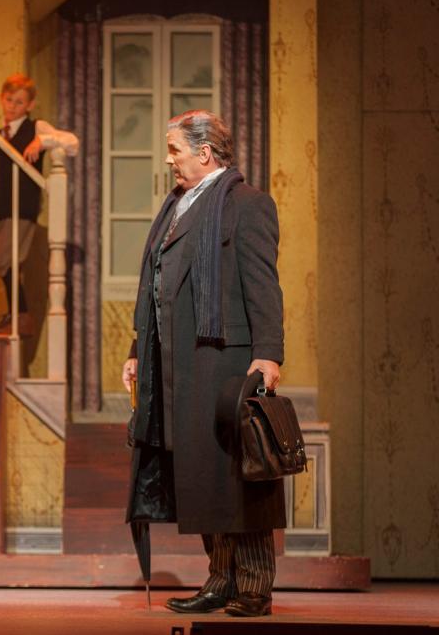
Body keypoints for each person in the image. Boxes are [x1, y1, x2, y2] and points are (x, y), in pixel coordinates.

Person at [122, 110, 285, 618]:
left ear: (204, 153)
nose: (168, 159)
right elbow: (155, 285)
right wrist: (137, 349)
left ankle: (253, 585)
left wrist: (269, 353)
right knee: (202, 476)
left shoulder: (246, 205)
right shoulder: (177, 205)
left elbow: (263, 284)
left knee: (239, 474)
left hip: (228, 360)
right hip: (182, 365)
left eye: (174, 149)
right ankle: (219, 580)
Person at [0, 73, 78, 331]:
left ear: (29, 105)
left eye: (19, 102)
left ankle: (21, 314)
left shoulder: (36, 128)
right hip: (0, 207)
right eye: (9, 100)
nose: (13, 106)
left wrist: (42, 140)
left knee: (2, 260)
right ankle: (17, 314)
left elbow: (71, 143)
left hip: (22, 207)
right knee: (6, 263)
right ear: (1, 99)